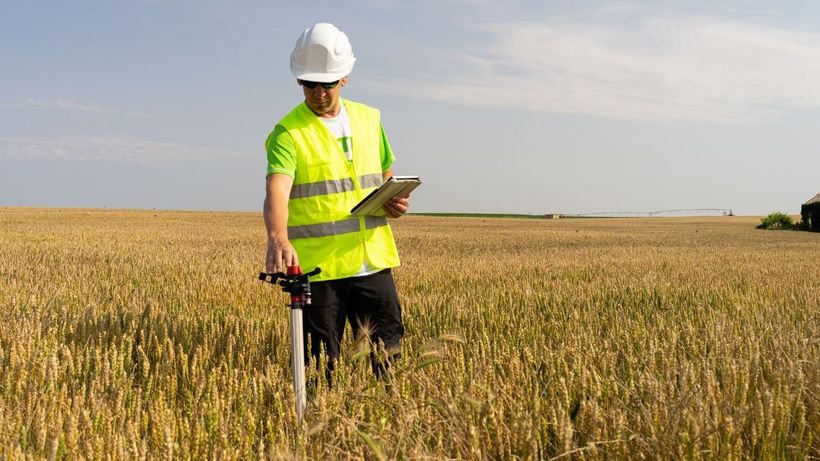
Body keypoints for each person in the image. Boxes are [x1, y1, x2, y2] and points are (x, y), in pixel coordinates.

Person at [263, 23, 410, 377]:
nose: (317, 92)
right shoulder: (287, 133)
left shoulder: (369, 120)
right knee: (319, 368)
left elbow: (385, 175)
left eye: (326, 83)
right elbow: (277, 190)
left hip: (371, 262)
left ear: (344, 77)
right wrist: (277, 237)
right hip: (320, 271)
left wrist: (396, 201)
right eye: (308, 83)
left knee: (388, 359)